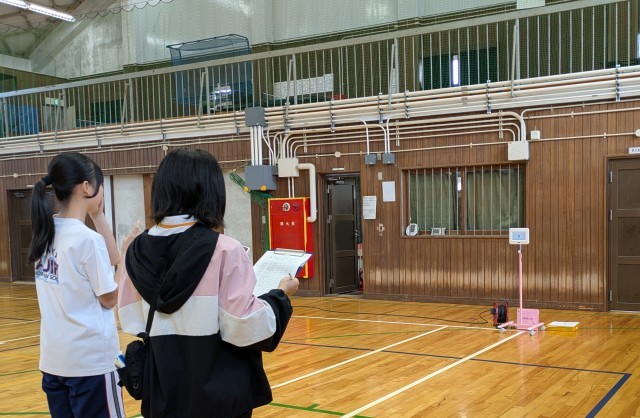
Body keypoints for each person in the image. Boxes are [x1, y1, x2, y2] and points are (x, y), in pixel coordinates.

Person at [117, 148, 299, 418]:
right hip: (219, 395)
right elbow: (246, 326)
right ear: (211, 192)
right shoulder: (224, 249)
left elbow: (131, 319)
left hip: (163, 392)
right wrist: (280, 295)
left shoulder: (135, 250)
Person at [28, 152, 123, 418]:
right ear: (87, 187)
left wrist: (98, 216)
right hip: (89, 363)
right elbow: (109, 299)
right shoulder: (86, 240)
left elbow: (110, 260)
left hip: (54, 361)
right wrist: (126, 265)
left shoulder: (46, 232)